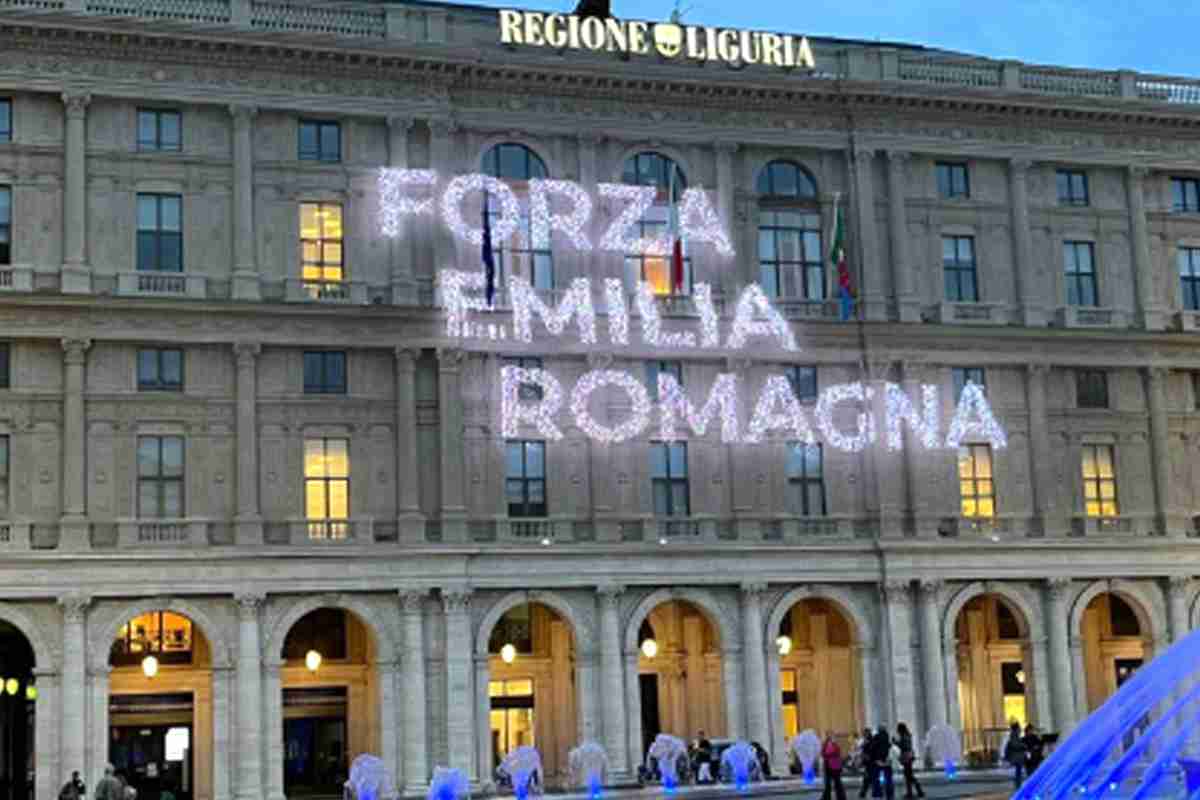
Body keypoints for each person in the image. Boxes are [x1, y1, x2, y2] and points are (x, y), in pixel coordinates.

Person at [895, 723, 924, 800]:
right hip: (909, 756)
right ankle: (915, 791)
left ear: (900, 729)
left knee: (908, 775)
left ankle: (913, 792)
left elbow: (904, 746)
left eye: (898, 729)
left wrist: (896, 743)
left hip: (906, 757)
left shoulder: (904, 736)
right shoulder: (907, 735)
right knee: (909, 775)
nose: (897, 731)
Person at [822, 731, 847, 800]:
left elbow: (829, 753)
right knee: (831, 783)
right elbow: (824, 753)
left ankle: (840, 797)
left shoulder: (832, 744)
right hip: (830, 765)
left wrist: (827, 754)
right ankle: (827, 797)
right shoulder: (827, 744)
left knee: (836, 782)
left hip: (833, 765)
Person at [871, 726, 895, 800]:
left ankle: (878, 793)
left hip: (878, 761)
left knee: (876, 778)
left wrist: (874, 759)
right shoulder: (888, 738)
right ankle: (890, 793)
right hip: (887, 761)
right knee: (888, 778)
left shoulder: (876, 738)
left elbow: (872, 748)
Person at [1004, 721, 1028, 789]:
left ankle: (1018, 784)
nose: (1020, 729)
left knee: (1018, 771)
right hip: (1016, 757)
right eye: (1019, 728)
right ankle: (1018, 785)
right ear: (1016, 729)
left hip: (1017, 756)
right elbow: (1015, 745)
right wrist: (1024, 746)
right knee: (1018, 772)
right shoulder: (1013, 736)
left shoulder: (1014, 735)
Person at [856, 728, 875, 799]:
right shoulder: (867, 741)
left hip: (870, 762)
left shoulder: (870, 741)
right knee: (868, 778)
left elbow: (869, 750)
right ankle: (864, 792)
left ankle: (863, 793)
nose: (864, 734)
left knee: (868, 778)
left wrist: (866, 757)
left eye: (865, 733)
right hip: (868, 762)